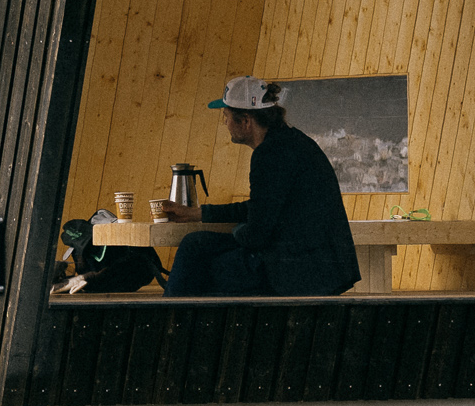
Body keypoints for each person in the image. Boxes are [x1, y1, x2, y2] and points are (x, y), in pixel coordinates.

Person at [154, 76, 361, 297]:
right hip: (323, 267)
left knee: (198, 255)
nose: (225, 123)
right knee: (196, 246)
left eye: (226, 117)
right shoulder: (293, 142)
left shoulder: (269, 155)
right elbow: (261, 206)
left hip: (299, 272)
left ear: (246, 121)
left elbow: (257, 234)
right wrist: (198, 213)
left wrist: (237, 230)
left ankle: (166, 318)